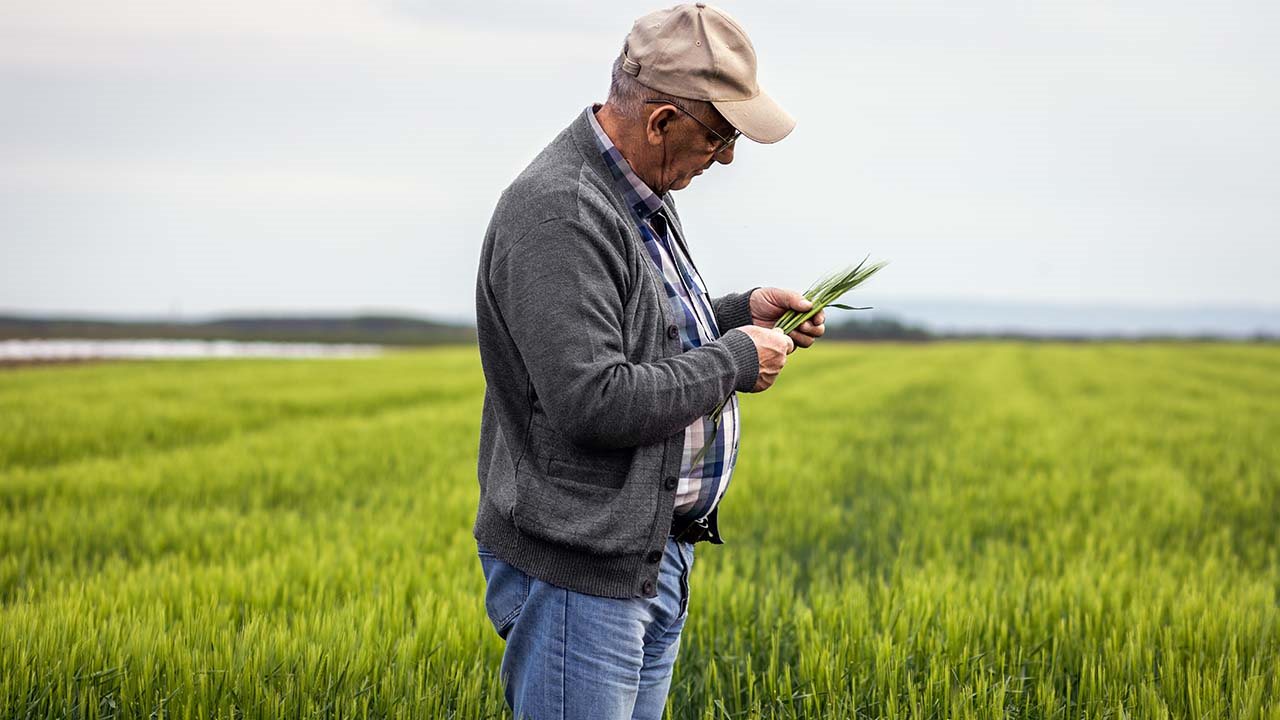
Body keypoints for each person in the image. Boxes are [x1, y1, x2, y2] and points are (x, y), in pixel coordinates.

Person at [472, 4, 825, 718]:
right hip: (583, 576)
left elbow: (643, 332)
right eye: (720, 136)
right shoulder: (563, 211)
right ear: (662, 120)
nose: (726, 157)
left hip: (644, 557)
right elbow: (594, 399)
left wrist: (737, 311)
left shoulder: (639, 189)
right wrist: (731, 360)